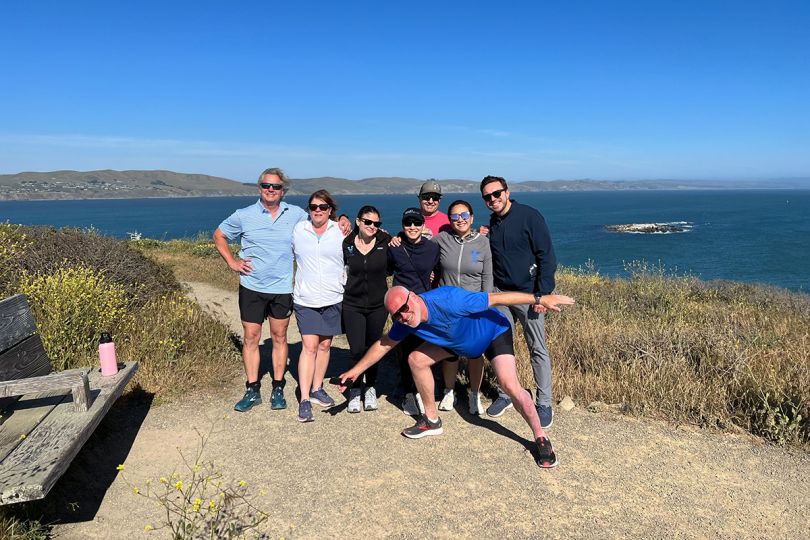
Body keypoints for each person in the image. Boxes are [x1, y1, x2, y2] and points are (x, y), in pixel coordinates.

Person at [338, 285, 574, 468]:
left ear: (414, 297)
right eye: (396, 315)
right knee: (416, 360)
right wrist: (356, 370)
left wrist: (540, 299)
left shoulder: (450, 300)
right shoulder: (406, 321)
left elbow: (497, 298)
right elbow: (385, 343)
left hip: (492, 333)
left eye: (404, 309)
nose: (403, 317)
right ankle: (431, 420)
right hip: (458, 343)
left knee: (509, 384)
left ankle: (541, 438)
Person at [214, 168, 349, 413]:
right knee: (251, 338)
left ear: (283, 190)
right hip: (252, 286)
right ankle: (252, 388)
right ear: (259, 188)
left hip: (283, 288)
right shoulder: (243, 215)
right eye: (266, 185)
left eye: (275, 187)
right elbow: (219, 235)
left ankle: (278, 386)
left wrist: (343, 219)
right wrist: (232, 262)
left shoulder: (296, 214)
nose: (270, 190)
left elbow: (321, 220)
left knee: (279, 337)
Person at [480, 175, 558, 427]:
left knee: (537, 347)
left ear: (507, 191)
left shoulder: (529, 216)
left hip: (529, 295)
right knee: (504, 347)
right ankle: (506, 394)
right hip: (502, 294)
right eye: (487, 197)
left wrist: (542, 294)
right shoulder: (493, 223)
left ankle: (544, 402)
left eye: (497, 193)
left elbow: (547, 256)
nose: (493, 199)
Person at [291, 190, 345, 422]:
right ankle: (304, 399)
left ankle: (317, 388)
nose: (318, 211)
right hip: (306, 299)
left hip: (333, 297)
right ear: (309, 209)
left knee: (325, 346)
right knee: (309, 346)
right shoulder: (298, 230)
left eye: (323, 207)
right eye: (313, 207)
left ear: (331, 210)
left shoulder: (340, 231)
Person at [434, 200, 492, 415]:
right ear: (449, 220)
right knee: (450, 352)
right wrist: (396, 238)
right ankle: (450, 391)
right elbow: (418, 247)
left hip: (474, 307)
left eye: (464, 214)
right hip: (447, 307)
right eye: (455, 216)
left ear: (472, 217)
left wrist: (486, 305)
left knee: (475, 354)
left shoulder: (482, 242)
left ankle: (474, 394)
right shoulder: (442, 239)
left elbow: (488, 275)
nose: (460, 219)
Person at [387, 208, 440, 415]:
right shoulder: (395, 247)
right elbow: (388, 269)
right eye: (408, 223)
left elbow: (438, 273)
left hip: (425, 306)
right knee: (405, 349)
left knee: (424, 349)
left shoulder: (432, 248)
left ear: (423, 226)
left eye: (416, 223)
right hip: (402, 308)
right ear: (402, 225)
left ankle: (422, 389)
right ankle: (408, 393)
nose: (412, 227)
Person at [341, 205, 392, 413]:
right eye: (368, 222)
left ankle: (370, 386)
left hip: (378, 305)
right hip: (352, 304)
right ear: (358, 221)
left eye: (376, 223)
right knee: (356, 349)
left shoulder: (386, 242)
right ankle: (354, 389)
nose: (372, 226)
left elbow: (405, 254)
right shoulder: (346, 244)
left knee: (373, 347)